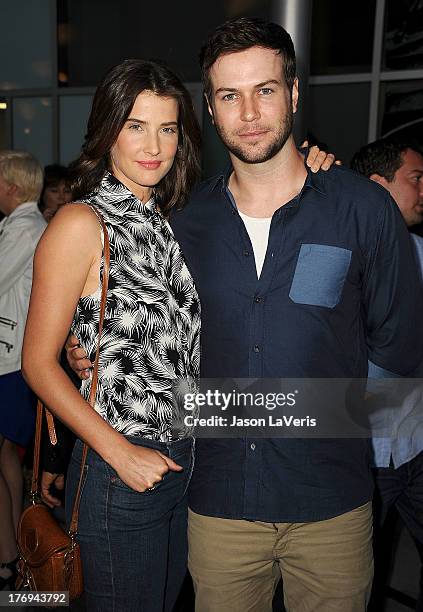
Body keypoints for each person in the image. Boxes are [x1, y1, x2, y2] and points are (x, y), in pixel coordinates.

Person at [67, 17, 423, 612]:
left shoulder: (362, 211)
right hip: (217, 505)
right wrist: (92, 353)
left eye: (265, 90)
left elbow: (396, 361)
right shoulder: (180, 223)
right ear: (209, 107)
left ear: (294, 93)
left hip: (331, 505)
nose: (250, 112)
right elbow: (147, 345)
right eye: (230, 95)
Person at [22, 59, 202, 612]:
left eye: (167, 128)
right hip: (118, 469)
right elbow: (37, 362)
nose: (154, 145)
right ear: (108, 131)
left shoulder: (167, 222)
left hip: (184, 458)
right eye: (136, 126)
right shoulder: (81, 223)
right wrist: (119, 452)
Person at [351, 138, 423, 612]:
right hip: (359, 457)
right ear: (379, 187)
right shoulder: (336, 254)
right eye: (415, 179)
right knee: (356, 579)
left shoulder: (420, 253)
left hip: (416, 448)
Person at [0, 150, 46, 590]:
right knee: (8, 459)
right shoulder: (21, 227)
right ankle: (15, 551)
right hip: (11, 359)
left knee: (8, 458)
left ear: (11, 185)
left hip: (10, 361)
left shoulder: (25, 229)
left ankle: (11, 554)